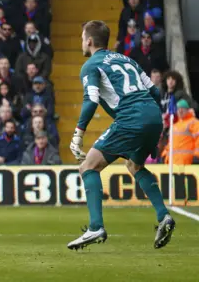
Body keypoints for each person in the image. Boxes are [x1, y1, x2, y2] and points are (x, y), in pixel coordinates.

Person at [67, 20, 174, 251]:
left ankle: (96, 226)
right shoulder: (128, 60)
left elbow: (91, 99)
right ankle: (163, 215)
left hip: (131, 118)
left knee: (88, 167)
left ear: (88, 41)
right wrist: (153, 129)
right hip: (153, 115)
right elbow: (155, 91)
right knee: (134, 166)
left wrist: (78, 133)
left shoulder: (90, 65)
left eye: (81, 38)